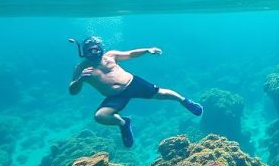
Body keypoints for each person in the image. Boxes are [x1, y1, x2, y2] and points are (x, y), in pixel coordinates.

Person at [68, 36, 202, 148]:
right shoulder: (81, 68)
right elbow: (73, 91)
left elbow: (130, 54)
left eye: (95, 49)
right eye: (89, 50)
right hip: (114, 96)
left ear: (100, 48)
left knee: (161, 93)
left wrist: (147, 50)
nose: (93, 52)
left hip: (131, 83)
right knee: (100, 116)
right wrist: (80, 80)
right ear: (84, 52)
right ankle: (123, 123)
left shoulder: (110, 55)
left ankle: (184, 101)